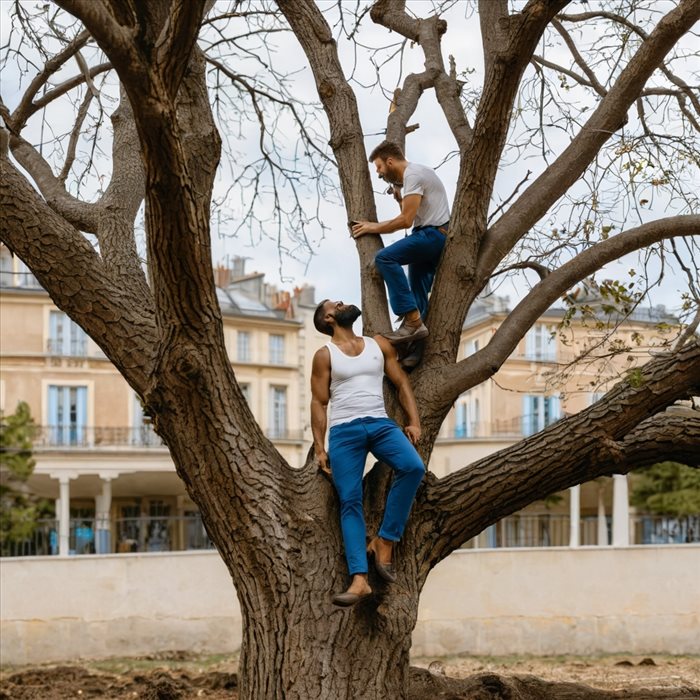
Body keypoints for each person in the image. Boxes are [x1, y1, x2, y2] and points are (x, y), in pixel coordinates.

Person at [310, 299, 425, 607]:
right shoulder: (325, 355)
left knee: (413, 468)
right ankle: (359, 579)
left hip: (380, 424)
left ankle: (386, 539)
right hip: (344, 432)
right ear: (329, 319)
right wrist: (320, 448)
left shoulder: (378, 344)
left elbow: (401, 383)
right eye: (335, 304)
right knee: (349, 500)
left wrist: (413, 421)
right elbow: (319, 403)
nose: (342, 303)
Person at [351, 140, 450, 353]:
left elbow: (405, 221)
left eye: (379, 167)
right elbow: (415, 214)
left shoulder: (413, 175)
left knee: (385, 258)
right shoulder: (414, 176)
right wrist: (400, 199)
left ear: (390, 161)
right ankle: (413, 355)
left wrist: (372, 227)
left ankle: (411, 320)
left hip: (433, 235)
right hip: (430, 234)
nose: (379, 173)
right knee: (418, 296)